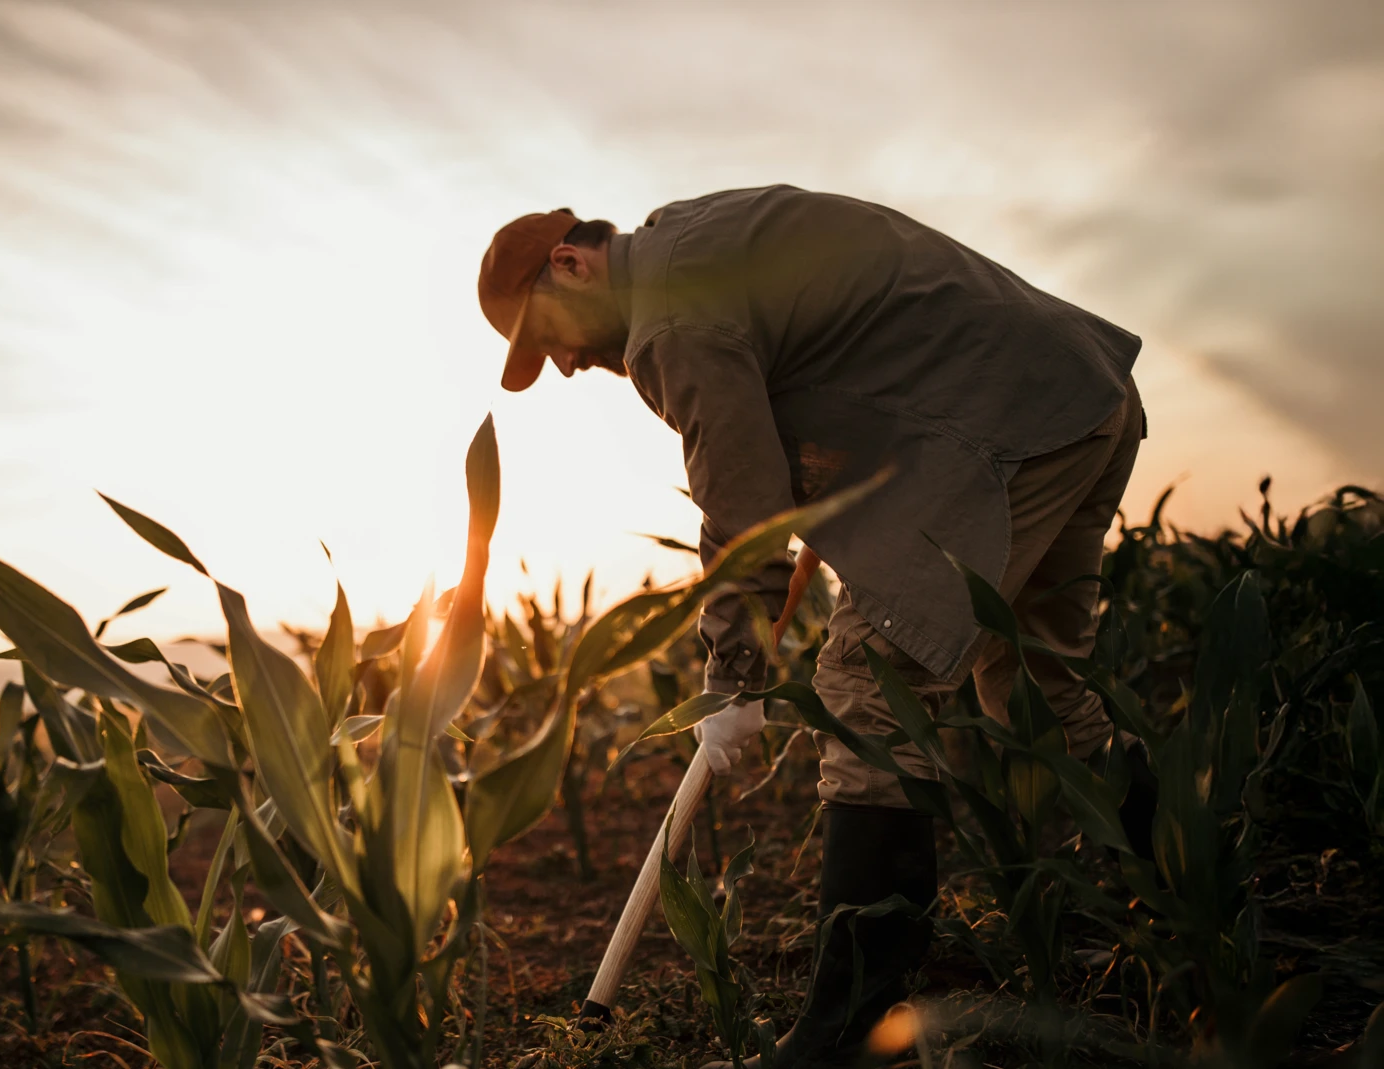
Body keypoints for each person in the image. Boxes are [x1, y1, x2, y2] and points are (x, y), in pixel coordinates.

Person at [477, 186, 1153, 1068]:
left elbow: (740, 498)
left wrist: (731, 674)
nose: (563, 364)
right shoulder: (688, 240)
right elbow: (831, 363)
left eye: (545, 336)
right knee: (1041, 692)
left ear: (570, 264)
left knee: (869, 690)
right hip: (1074, 393)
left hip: (1002, 431)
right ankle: (1181, 903)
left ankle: (851, 1035)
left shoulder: (671, 323)